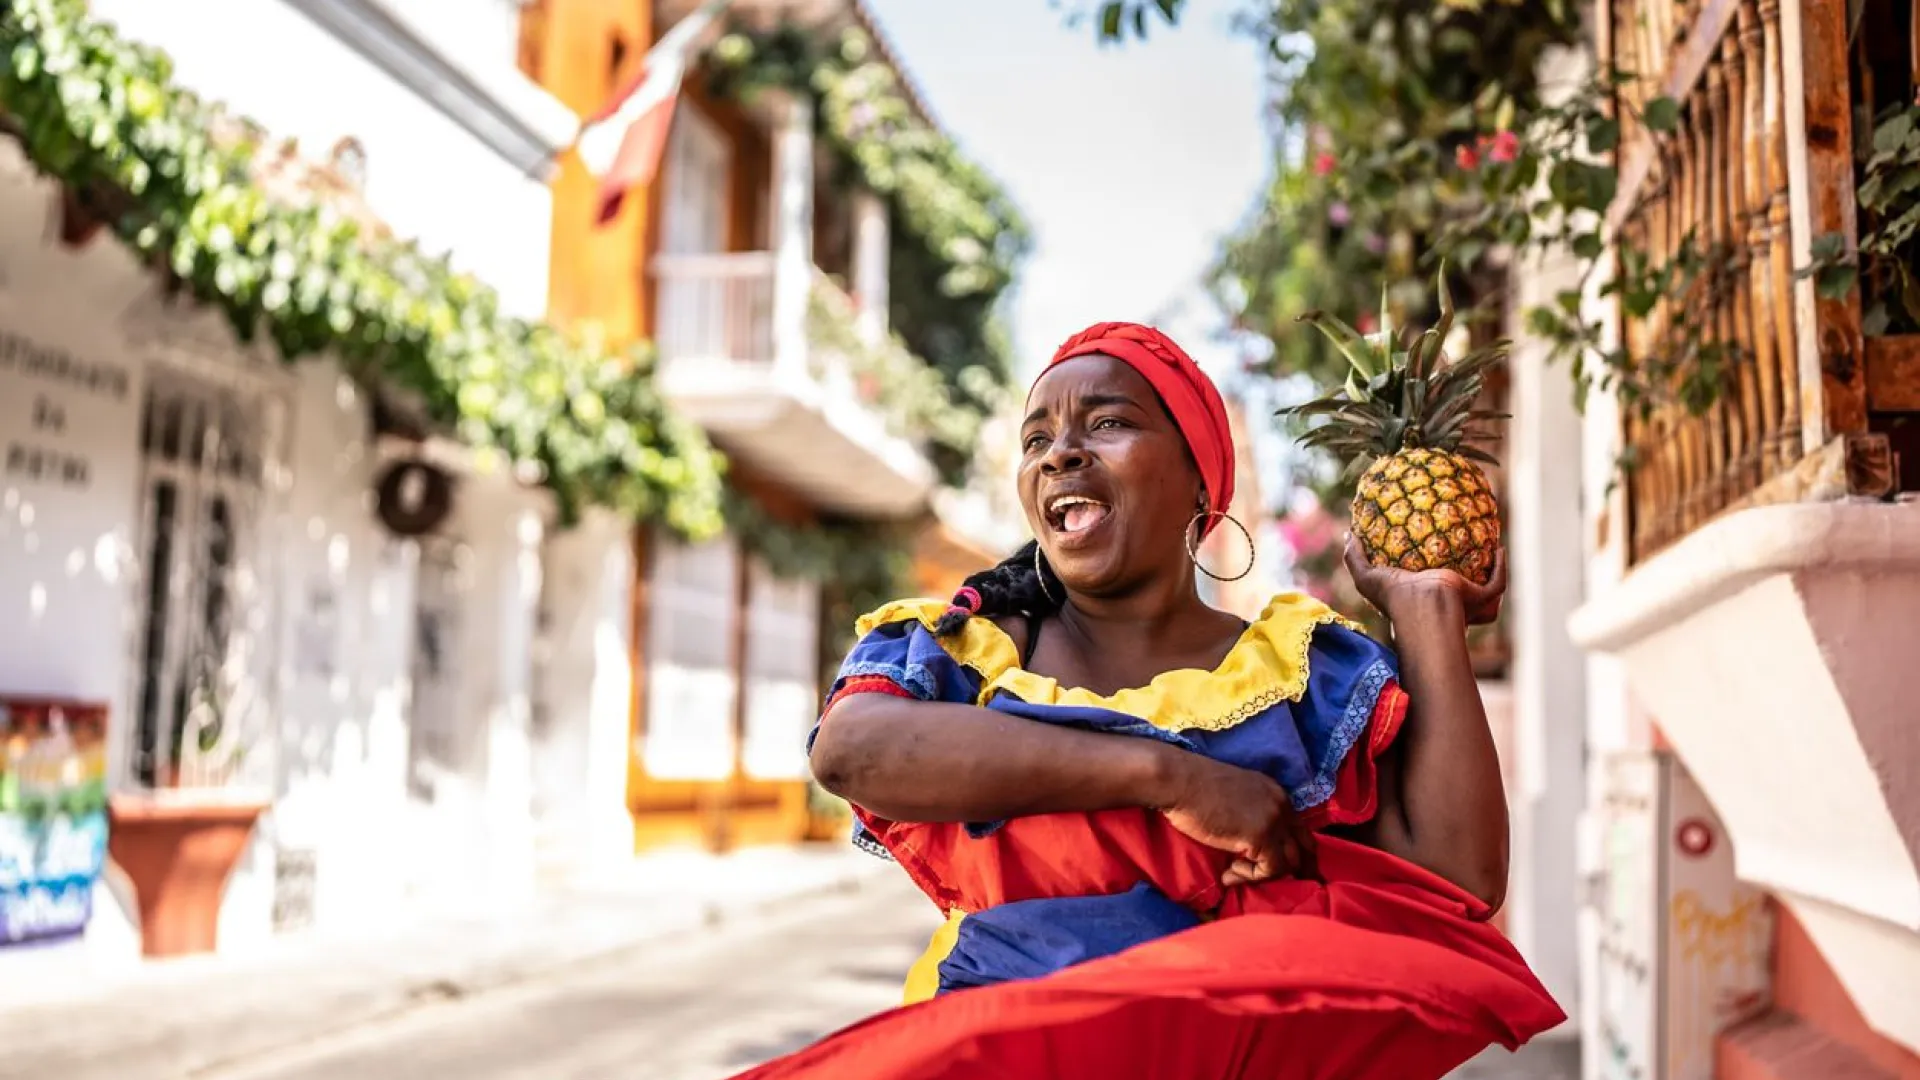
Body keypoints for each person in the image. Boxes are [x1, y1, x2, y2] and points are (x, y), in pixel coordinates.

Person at [731, 322, 1563, 1080]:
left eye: (1106, 423)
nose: (1059, 453)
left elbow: (1458, 879)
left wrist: (1426, 612)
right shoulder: (974, 649)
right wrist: (1172, 778)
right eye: (1037, 438)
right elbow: (852, 751)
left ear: (1202, 483)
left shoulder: (1297, 674)